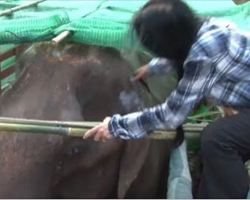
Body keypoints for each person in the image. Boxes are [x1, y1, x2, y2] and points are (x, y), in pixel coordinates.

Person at [84, 0, 250, 198]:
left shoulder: (203, 55)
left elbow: (171, 115)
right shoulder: (204, 27)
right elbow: (184, 50)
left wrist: (114, 126)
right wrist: (153, 68)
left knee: (217, 138)